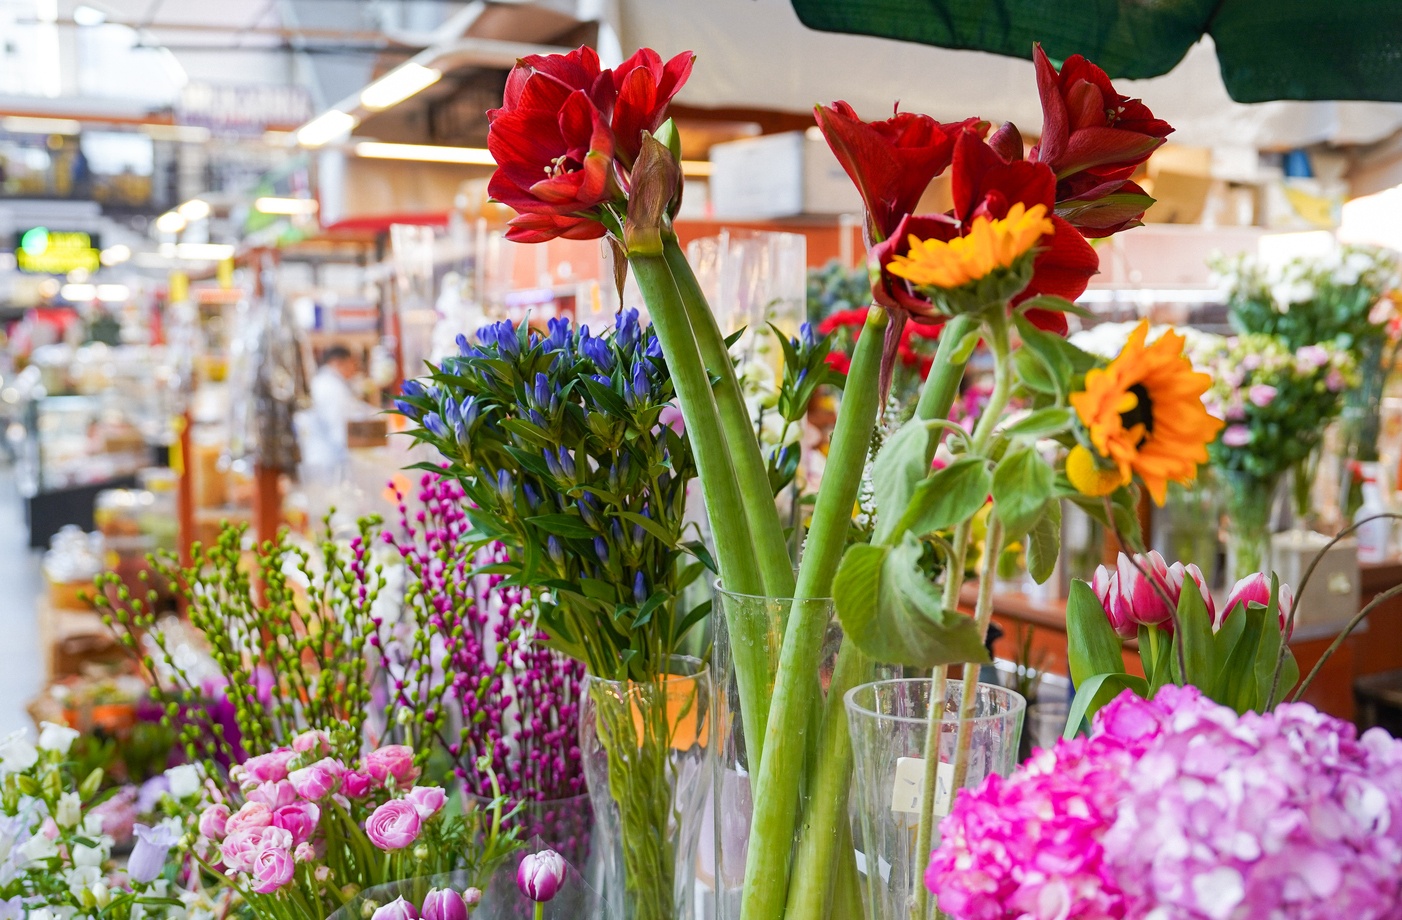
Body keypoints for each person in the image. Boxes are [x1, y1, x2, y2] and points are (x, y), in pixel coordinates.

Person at [299, 345, 375, 473]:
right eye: (352, 363)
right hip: (329, 460)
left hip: (325, 457)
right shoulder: (330, 387)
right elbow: (339, 429)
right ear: (337, 362)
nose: (354, 369)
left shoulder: (327, 383)